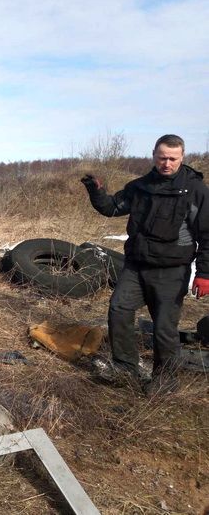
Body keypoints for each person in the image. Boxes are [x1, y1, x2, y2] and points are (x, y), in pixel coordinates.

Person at [81, 134, 209, 396]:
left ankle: (166, 380)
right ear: (153, 155)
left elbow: (207, 234)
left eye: (173, 158)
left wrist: (205, 273)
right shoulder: (140, 186)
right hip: (137, 266)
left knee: (163, 328)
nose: (167, 163)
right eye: (162, 157)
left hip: (171, 271)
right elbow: (113, 207)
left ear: (182, 158)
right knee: (118, 309)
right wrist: (96, 191)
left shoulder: (195, 191)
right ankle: (125, 367)